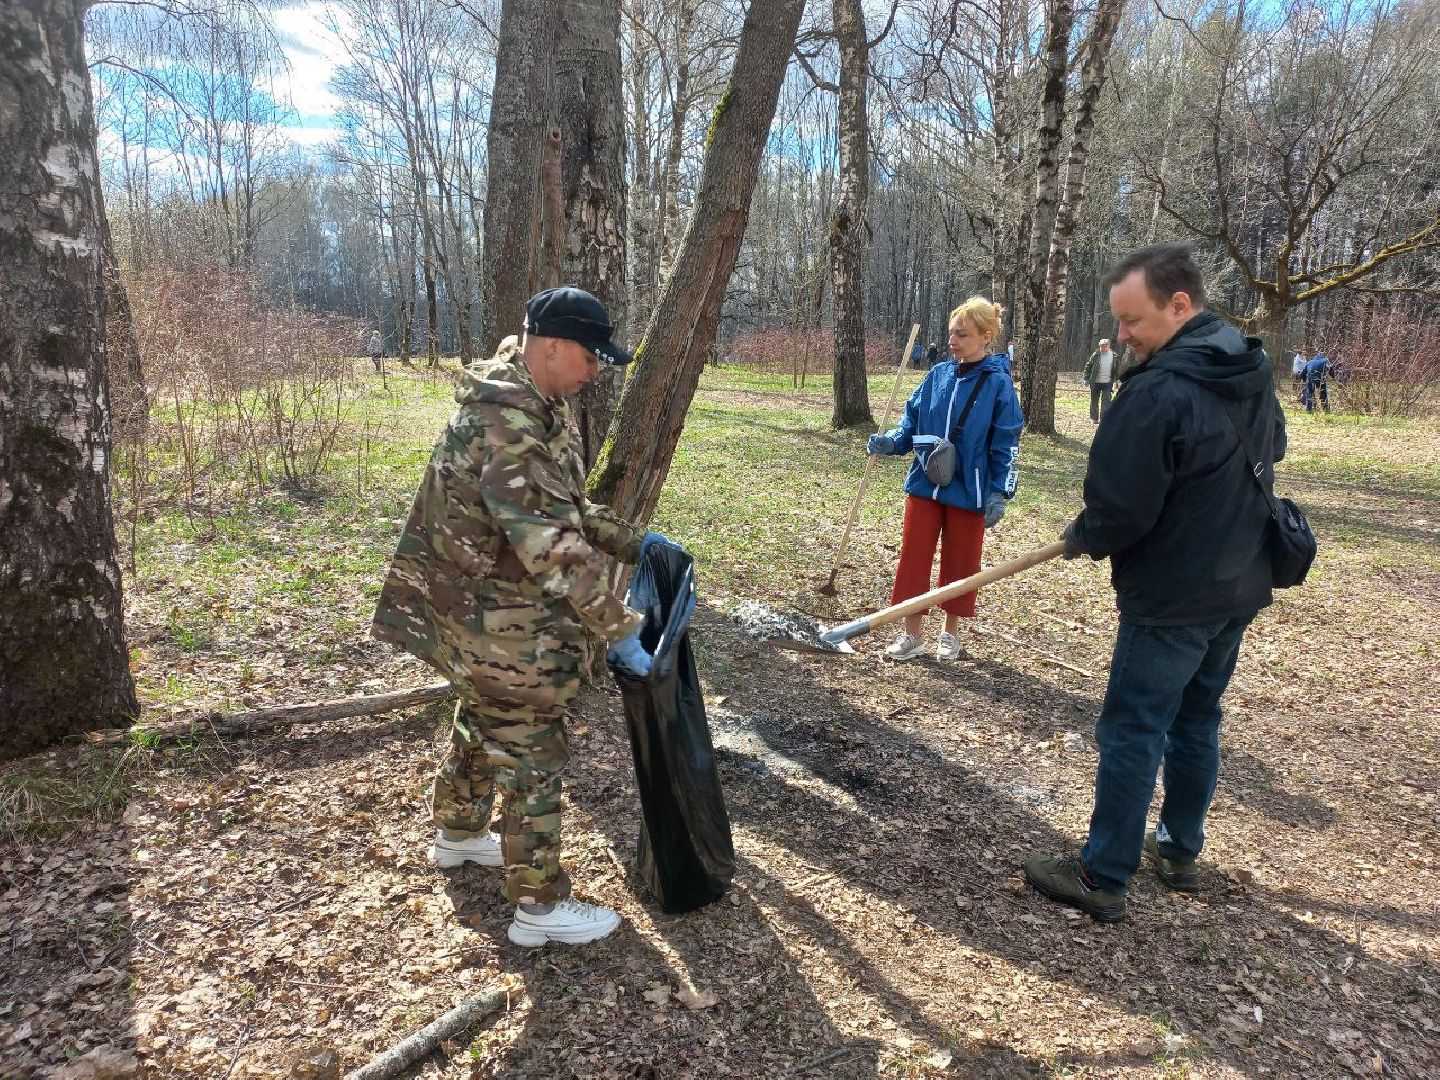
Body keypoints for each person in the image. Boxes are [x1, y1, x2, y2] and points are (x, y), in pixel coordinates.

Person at [372, 285, 676, 948]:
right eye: (592, 357)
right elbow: (552, 548)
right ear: (554, 346)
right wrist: (619, 630)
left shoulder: (528, 400)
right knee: (533, 737)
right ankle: (539, 907)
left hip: (469, 601)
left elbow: (559, 507)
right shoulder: (509, 421)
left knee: (483, 713)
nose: (597, 370)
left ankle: (459, 833)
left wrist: (632, 539)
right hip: (491, 609)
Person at [1024, 244, 1286, 922]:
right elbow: (1272, 451)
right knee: (1197, 717)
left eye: (1133, 321)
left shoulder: (1159, 392)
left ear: (1179, 304)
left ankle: (1102, 874)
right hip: (1239, 581)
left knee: (1135, 728)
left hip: (1173, 595)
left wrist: (1087, 535)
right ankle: (1179, 851)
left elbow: (1120, 509)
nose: (1122, 337)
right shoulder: (1248, 366)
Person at [866, 298, 1023, 661]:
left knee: (961, 562)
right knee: (913, 557)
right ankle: (911, 635)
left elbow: (1007, 442)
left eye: (962, 334)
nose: (953, 340)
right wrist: (891, 440)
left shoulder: (998, 384)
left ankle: (950, 633)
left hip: (971, 488)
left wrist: (1000, 491)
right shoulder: (937, 375)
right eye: (952, 333)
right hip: (925, 482)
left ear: (986, 337)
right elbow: (911, 422)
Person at [1083, 338, 1117, 425]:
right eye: (1101, 346)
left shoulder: (1114, 356)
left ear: (1109, 346)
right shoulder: (1095, 355)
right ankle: (1094, 418)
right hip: (1095, 382)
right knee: (1094, 401)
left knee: (1106, 401)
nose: (1103, 348)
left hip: (1108, 382)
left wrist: (1116, 381)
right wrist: (1086, 378)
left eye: (1105, 346)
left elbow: (1116, 370)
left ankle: (1103, 419)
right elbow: (1088, 366)